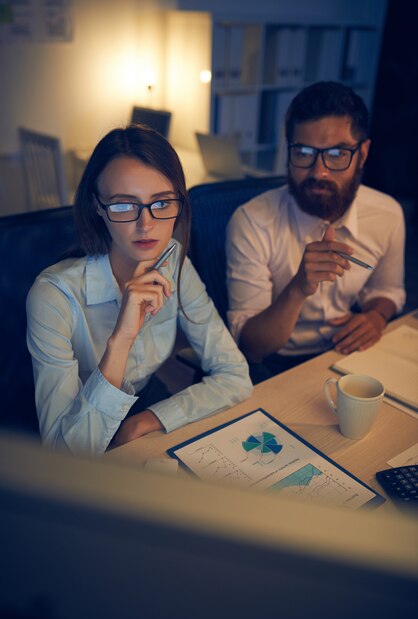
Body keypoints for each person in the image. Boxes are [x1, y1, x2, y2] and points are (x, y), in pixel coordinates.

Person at [26, 124, 252, 455]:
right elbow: (65, 454)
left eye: (161, 203)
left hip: (143, 411)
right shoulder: (53, 296)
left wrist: (145, 420)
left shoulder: (174, 265)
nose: (146, 225)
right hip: (78, 426)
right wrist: (121, 340)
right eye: (123, 205)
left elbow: (235, 376)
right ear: (97, 207)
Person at [226, 81, 406, 383]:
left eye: (336, 154)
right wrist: (298, 288)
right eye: (304, 152)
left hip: (349, 353)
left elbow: (388, 290)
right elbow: (252, 348)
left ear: (362, 154)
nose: (319, 171)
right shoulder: (252, 222)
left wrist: (375, 317)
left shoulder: (387, 214)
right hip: (277, 365)